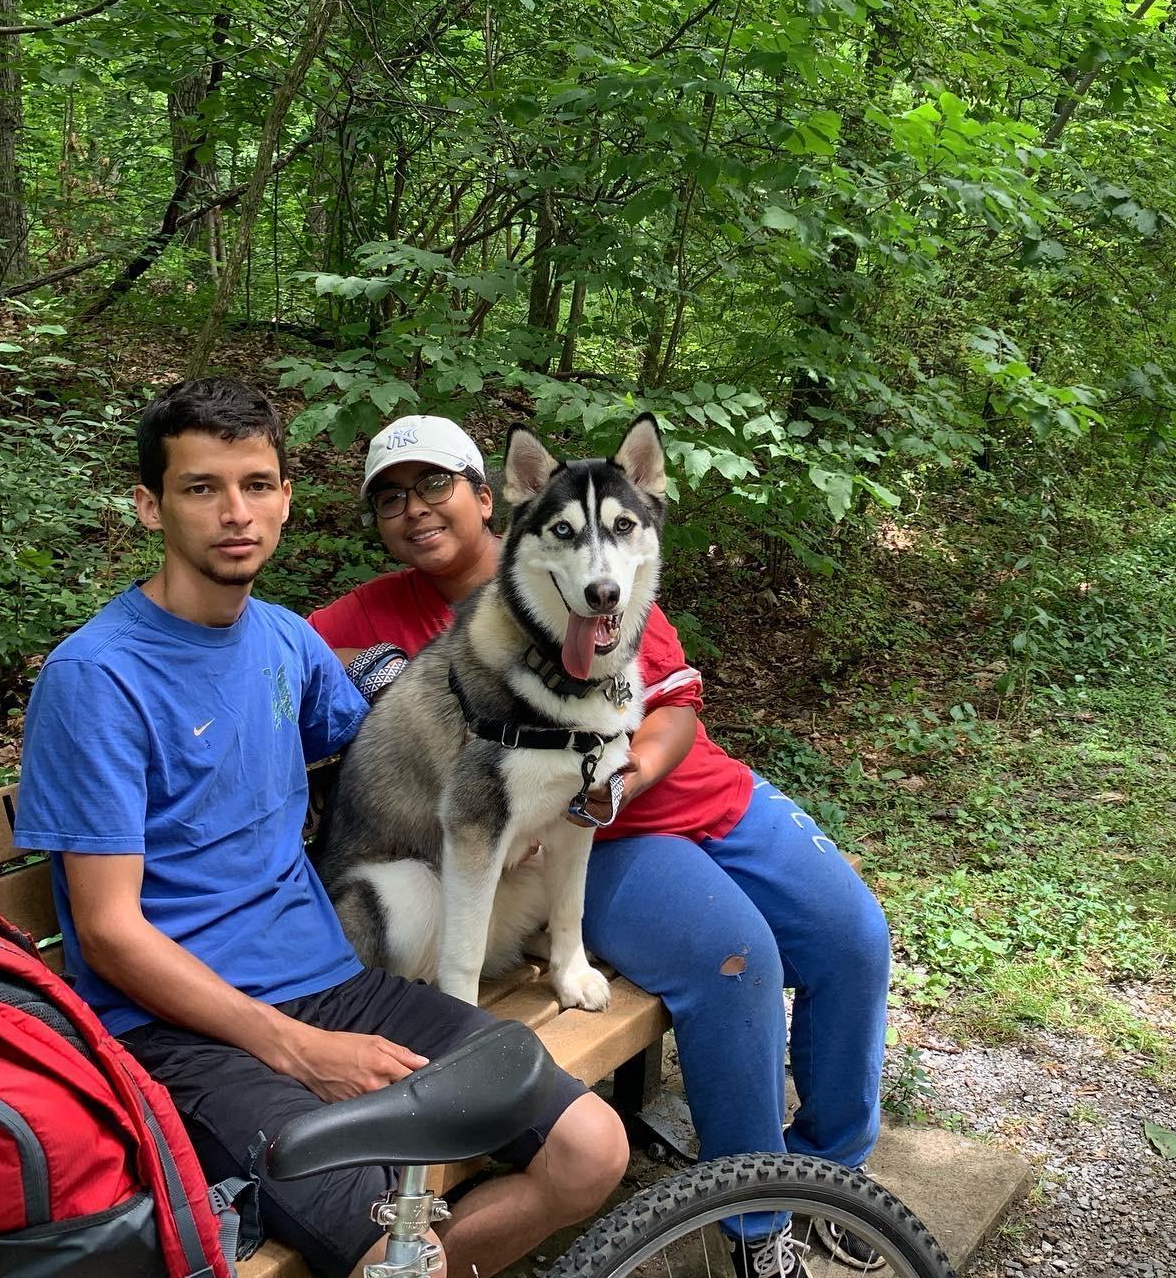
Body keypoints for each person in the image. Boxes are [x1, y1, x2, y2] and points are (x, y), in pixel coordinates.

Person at [14, 381, 627, 1278]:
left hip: (338, 980)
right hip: (186, 1034)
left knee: (592, 1150)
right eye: (201, 487)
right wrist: (294, 1047)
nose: (236, 513)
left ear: (286, 499)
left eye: (258, 485)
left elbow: (398, 749)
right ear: (150, 505)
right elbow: (108, 932)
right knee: (389, 1239)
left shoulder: (285, 643)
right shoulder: (97, 680)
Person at [311, 415, 893, 1278]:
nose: (417, 511)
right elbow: (271, 653)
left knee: (855, 940)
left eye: (437, 487)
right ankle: (756, 1218)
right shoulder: (379, 609)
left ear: (488, 499)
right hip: (601, 844)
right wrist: (369, 667)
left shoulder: (601, 560)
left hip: (682, 796)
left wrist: (621, 778)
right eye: (391, 498)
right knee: (738, 963)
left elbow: (677, 704)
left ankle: (830, 1174)